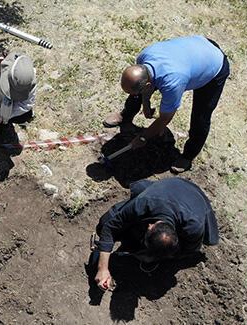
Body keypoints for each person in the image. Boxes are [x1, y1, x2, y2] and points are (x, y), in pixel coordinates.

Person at [102, 35, 230, 173]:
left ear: (149, 84)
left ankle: (188, 156)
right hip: (195, 50)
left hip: (213, 64)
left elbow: (165, 118)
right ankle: (125, 116)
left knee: (201, 116)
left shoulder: (172, 82)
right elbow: (145, 88)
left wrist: (144, 137)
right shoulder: (144, 58)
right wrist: (145, 104)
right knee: (136, 90)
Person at [92, 177, 219, 290]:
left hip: (195, 200)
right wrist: (102, 268)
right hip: (172, 187)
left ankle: (155, 253)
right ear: (150, 226)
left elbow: (188, 250)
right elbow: (110, 227)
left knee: (166, 252)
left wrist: (157, 256)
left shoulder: (193, 227)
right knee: (106, 222)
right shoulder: (144, 204)